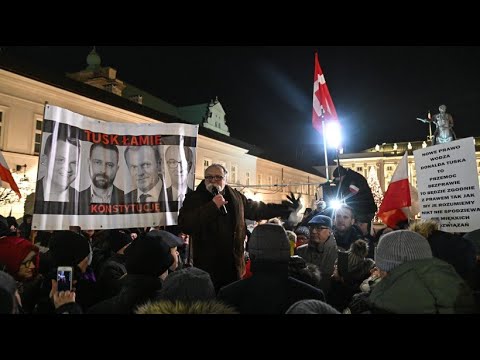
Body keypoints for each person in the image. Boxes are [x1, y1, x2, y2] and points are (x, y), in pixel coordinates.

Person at [178, 163, 301, 291]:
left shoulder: (236, 197)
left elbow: (258, 210)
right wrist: (212, 207)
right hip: (207, 266)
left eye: (218, 177)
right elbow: (185, 224)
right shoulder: (194, 198)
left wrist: (285, 210)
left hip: (233, 264)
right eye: (209, 177)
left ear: (225, 180)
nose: (213, 180)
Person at [34, 132, 81, 214]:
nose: (68, 169)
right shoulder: (33, 192)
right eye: (60, 160)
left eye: (74, 163)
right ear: (44, 160)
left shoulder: (83, 198)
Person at [79, 143, 124, 214]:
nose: (103, 170)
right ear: (89, 163)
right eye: (97, 162)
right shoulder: (76, 198)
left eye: (109, 165)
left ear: (117, 169)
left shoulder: (127, 198)